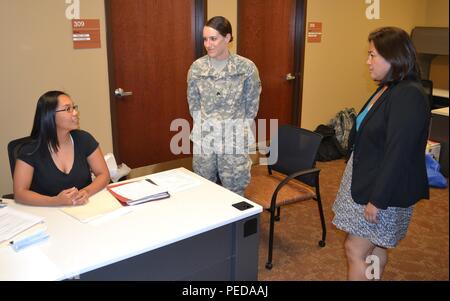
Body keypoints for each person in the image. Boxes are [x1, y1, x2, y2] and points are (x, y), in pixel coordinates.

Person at [332, 27, 430, 280]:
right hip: (368, 178)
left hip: (381, 188)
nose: (368, 61)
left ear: (394, 57)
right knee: (374, 246)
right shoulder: (390, 87)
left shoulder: (408, 94)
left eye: (373, 55)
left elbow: (399, 152)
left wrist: (378, 199)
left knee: (356, 249)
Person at [187, 16, 261, 196]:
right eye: (205, 39)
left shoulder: (246, 68)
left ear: (227, 38)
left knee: (235, 191)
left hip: (233, 142)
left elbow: (251, 105)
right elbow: (193, 104)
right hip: (205, 140)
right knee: (204, 189)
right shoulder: (197, 68)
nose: (208, 44)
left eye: (213, 38)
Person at [13, 90, 110, 206]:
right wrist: (54, 201)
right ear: (50, 115)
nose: (75, 112)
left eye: (74, 107)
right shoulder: (29, 151)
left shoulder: (84, 139)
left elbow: (103, 174)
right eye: (68, 109)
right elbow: (19, 193)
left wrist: (86, 192)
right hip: (47, 214)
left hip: (83, 210)